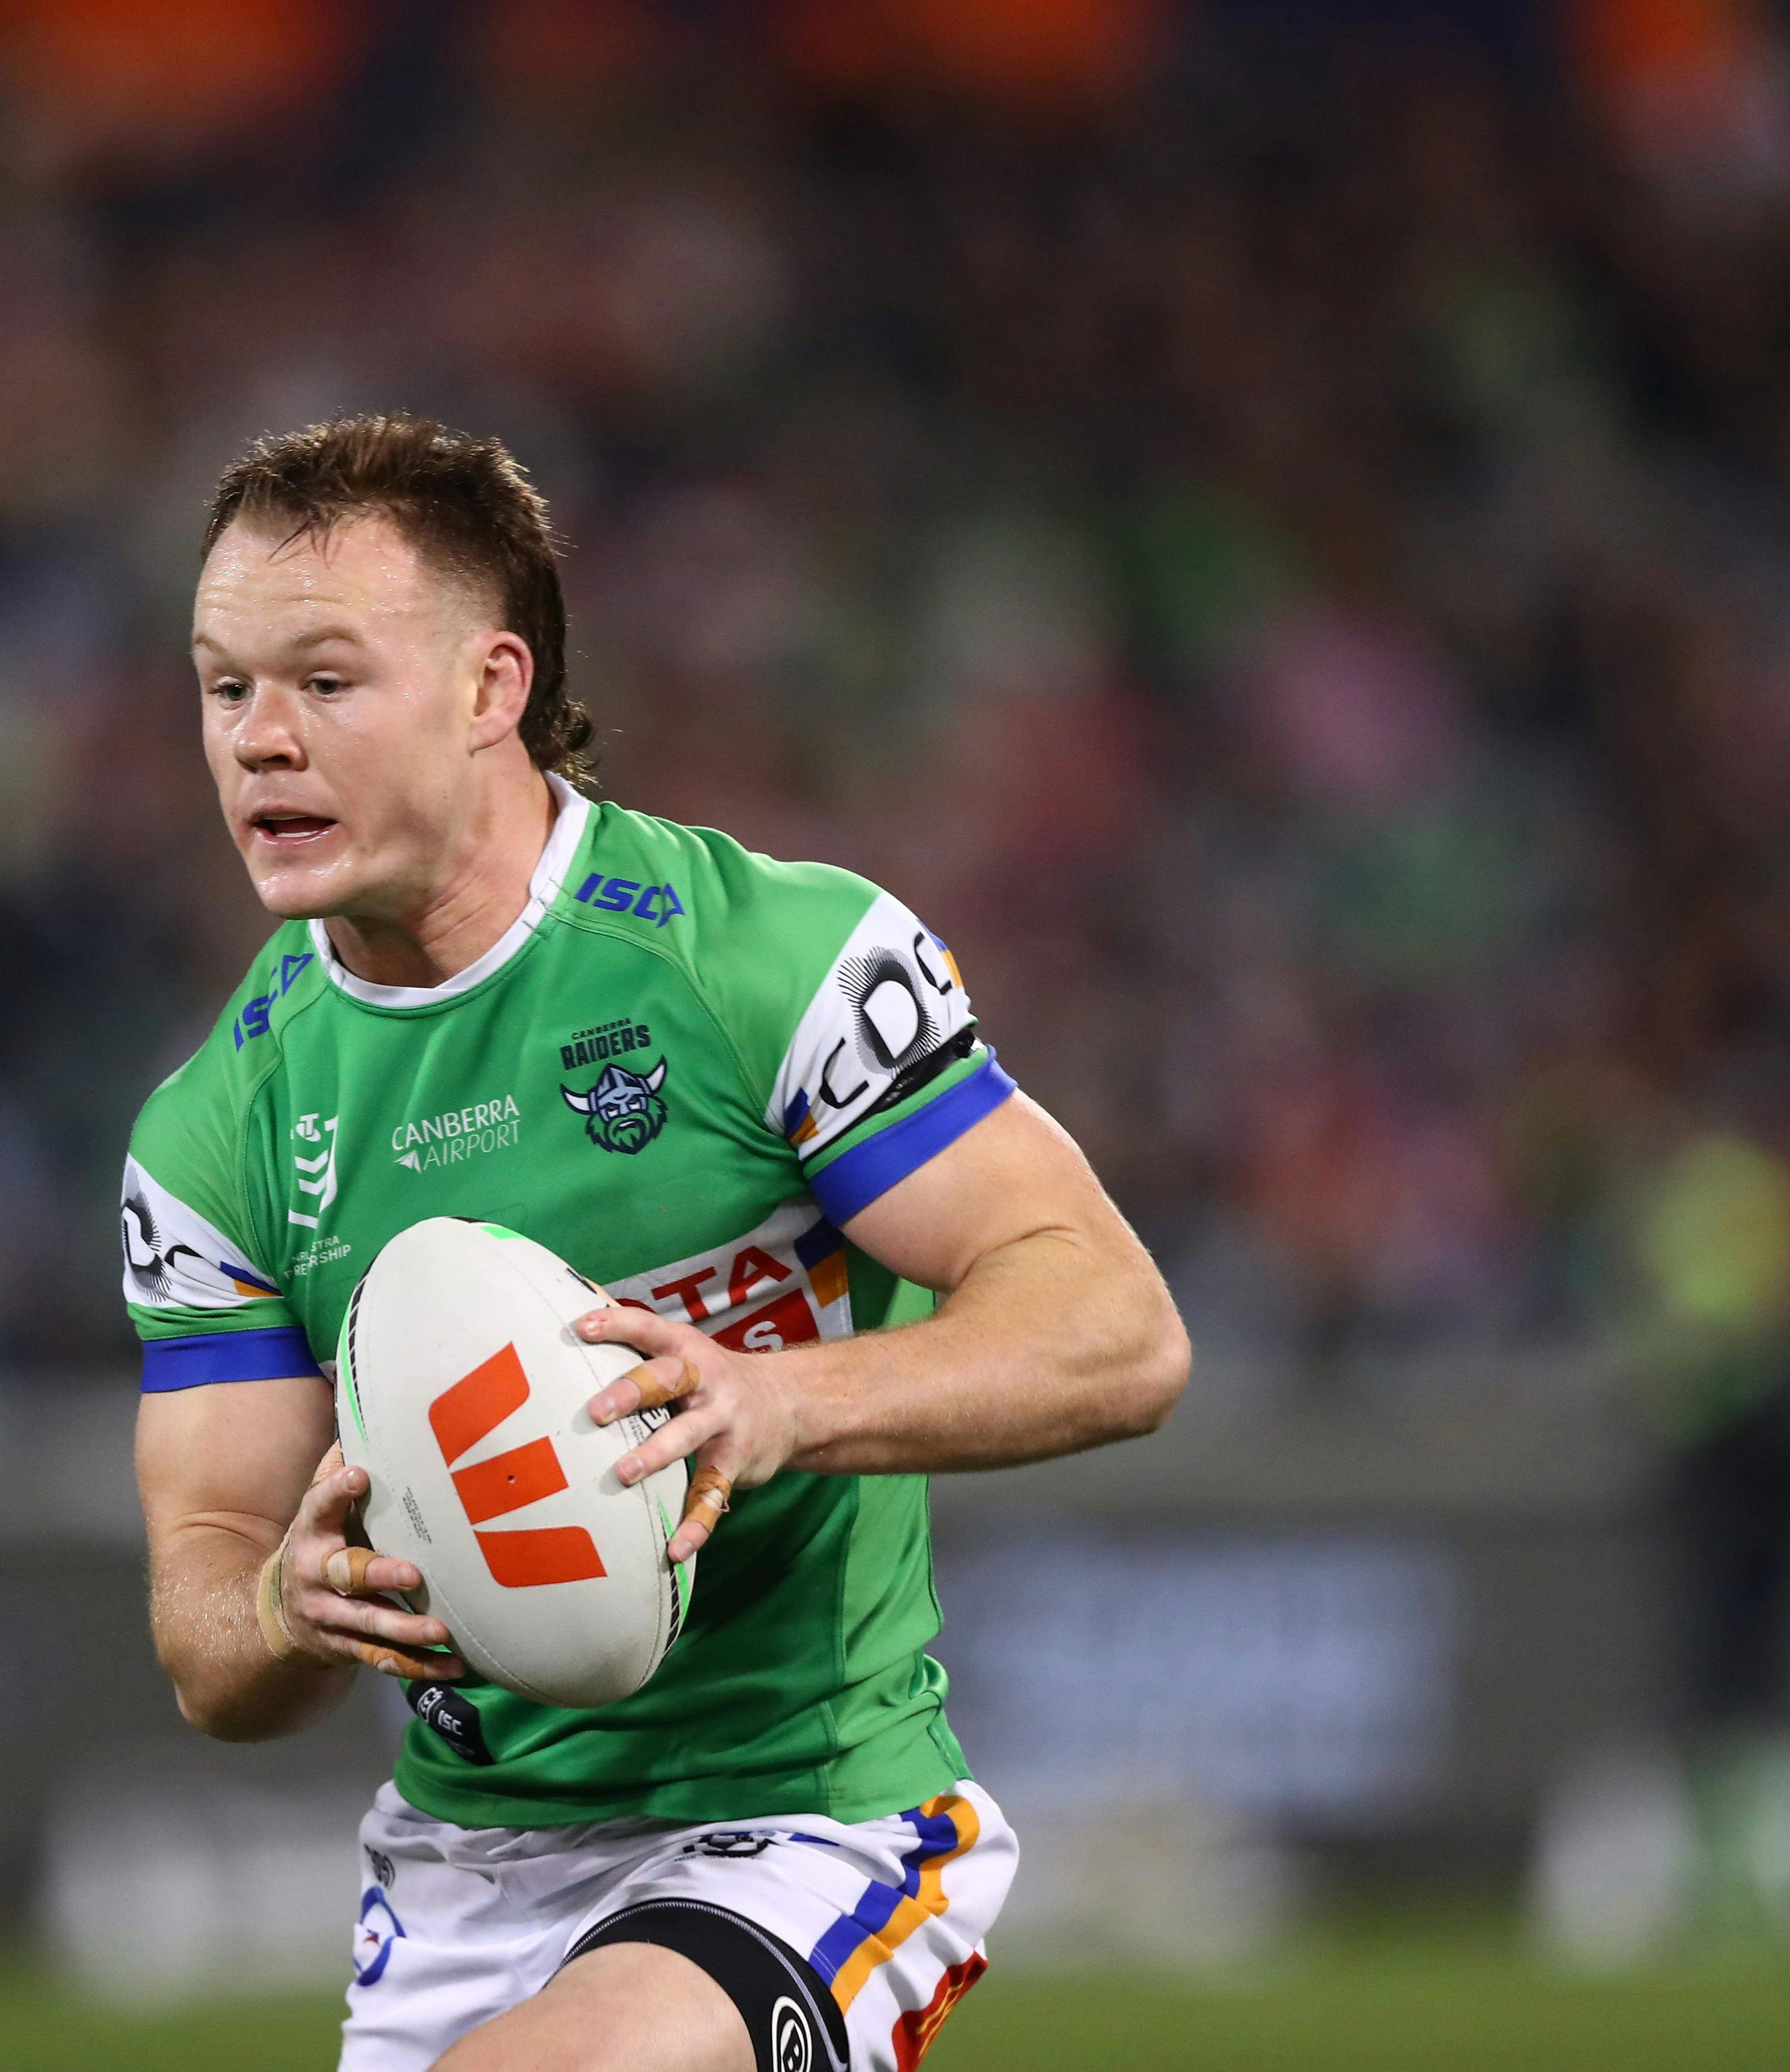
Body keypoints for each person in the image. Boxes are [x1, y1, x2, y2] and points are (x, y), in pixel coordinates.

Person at [124, 415, 1188, 2072]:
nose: (260, 741)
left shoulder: (763, 961)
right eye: (223, 686)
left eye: (325, 684)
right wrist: (284, 1601)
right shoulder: (217, 1135)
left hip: (805, 1818)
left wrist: (779, 1403)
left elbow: (1119, 1329)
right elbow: (204, 1623)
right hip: (468, 1872)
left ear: (491, 689)